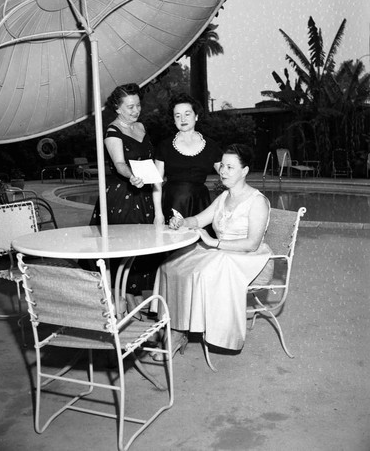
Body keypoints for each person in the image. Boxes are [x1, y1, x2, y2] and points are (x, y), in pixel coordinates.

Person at [152, 144, 274, 359]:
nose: (223, 171)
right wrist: (182, 222)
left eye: (230, 167)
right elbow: (199, 219)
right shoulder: (224, 197)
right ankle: (177, 327)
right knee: (171, 264)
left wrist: (213, 243)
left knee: (202, 272)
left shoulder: (258, 201)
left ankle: (182, 331)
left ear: (244, 171)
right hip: (223, 253)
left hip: (250, 260)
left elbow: (252, 244)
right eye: (222, 166)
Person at [90, 83, 159, 305]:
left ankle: (134, 299)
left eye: (138, 105)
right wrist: (131, 176)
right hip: (124, 194)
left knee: (143, 249)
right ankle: (127, 301)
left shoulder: (142, 127)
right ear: (117, 108)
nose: (135, 110)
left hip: (144, 193)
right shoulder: (112, 131)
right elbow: (119, 163)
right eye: (130, 107)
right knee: (127, 248)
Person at [153, 93, 222, 226]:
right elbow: (156, 184)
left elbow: (226, 174)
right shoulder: (164, 146)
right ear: (174, 120)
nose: (182, 119)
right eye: (177, 115)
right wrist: (158, 214)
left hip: (200, 205)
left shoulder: (211, 145)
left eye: (187, 114)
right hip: (172, 202)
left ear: (196, 116)